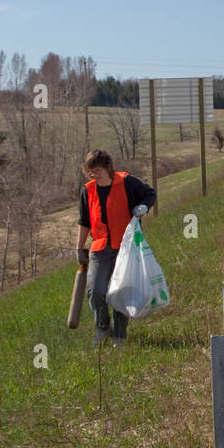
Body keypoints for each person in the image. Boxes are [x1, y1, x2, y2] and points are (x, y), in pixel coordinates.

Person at [76, 149, 157, 347]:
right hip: (100, 247)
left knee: (121, 291)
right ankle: (103, 329)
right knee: (95, 291)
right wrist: (80, 248)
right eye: (90, 172)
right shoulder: (88, 191)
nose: (94, 175)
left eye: (97, 171)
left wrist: (143, 207)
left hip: (126, 247)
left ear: (108, 168)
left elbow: (150, 194)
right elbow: (84, 221)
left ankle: (119, 336)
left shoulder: (127, 182)